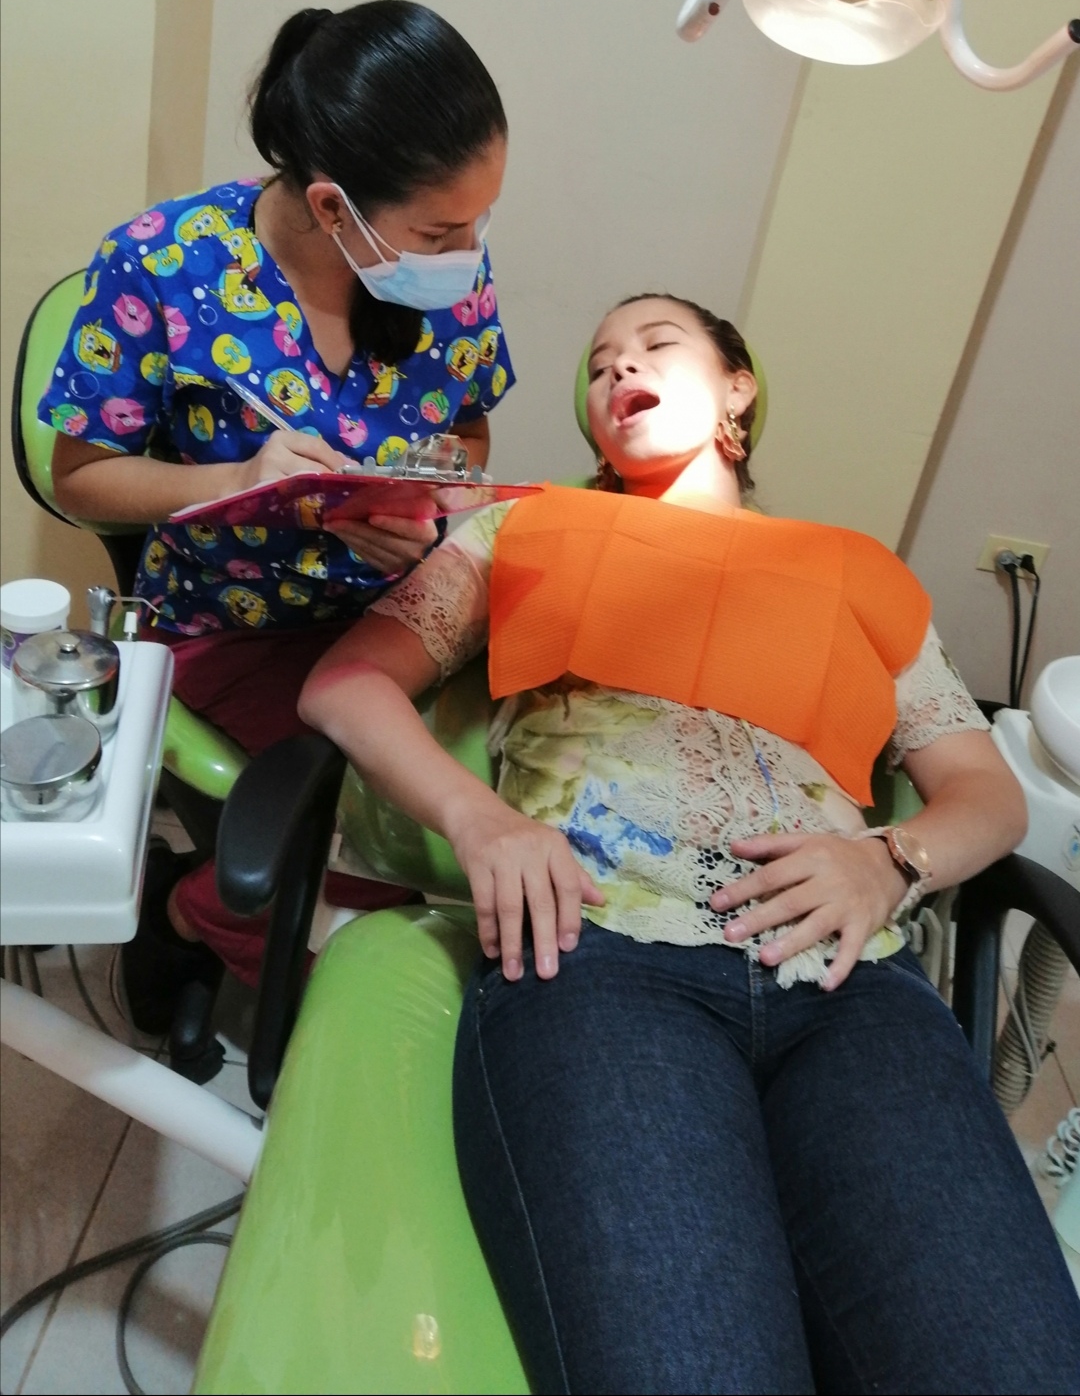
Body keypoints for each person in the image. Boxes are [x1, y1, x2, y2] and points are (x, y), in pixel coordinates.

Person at [299, 293, 1080, 1394]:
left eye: (655, 345)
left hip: (851, 983)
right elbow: (346, 684)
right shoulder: (524, 528)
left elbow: (986, 795)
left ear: (737, 390)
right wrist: (482, 818)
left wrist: (889, 858)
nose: (617, 370)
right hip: (604, 959)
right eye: (599, 365)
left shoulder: (857, 569)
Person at [43, 0, 513, 1040]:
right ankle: (187, 913)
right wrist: (233, 478)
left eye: (481, 221)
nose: (469, 253)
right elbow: (81, 476)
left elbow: (469, 430)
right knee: (403, 844)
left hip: (404, 608)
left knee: (515, 795)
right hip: (232, 622)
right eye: (442, 232)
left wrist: (434, 491)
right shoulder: (165, 265)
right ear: (335, 206)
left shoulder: (447, 283)